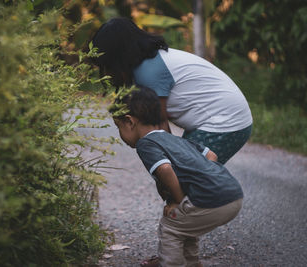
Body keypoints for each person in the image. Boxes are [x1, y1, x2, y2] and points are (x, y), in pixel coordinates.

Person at [109, 86, 244, 267]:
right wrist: (207, 177)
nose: (120, 134)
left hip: (213, 198)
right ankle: (192, 263)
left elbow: (165, 169)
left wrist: (178, 201)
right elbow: (211, 155)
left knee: (171, 228)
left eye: (119, 127)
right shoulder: (176, 140)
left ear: (130, 121)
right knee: (184, 225)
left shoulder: (146, 143)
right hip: (233, 193)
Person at [92, 17, 253, 164]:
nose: (106, 74)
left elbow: (160, 129)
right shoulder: (148, 63)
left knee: (188, 175)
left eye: (107, 66)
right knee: (188, 177)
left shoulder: (148, 72)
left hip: (225, 121)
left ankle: (226, 196)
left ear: (118, 57)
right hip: (224, 117)